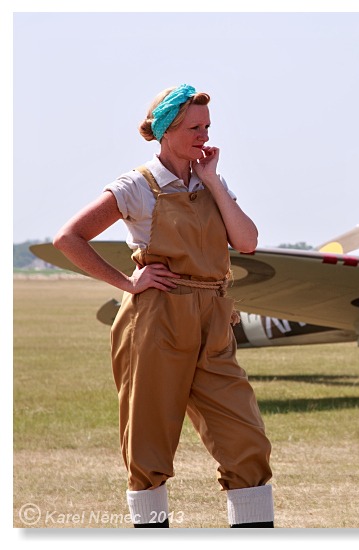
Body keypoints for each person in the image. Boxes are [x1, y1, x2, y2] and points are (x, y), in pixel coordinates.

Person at [53, 84, 274, 528]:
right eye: (194, 127)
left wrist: (211, 180)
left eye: (207, 127)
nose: (205, 136)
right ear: (167, 130)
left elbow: (247, 241)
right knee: (148, 448)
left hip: (213, 318)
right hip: (155, 321)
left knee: (246, 441)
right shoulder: (137, 185)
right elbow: (68, 238)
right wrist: (127, 282)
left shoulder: (212, 181)